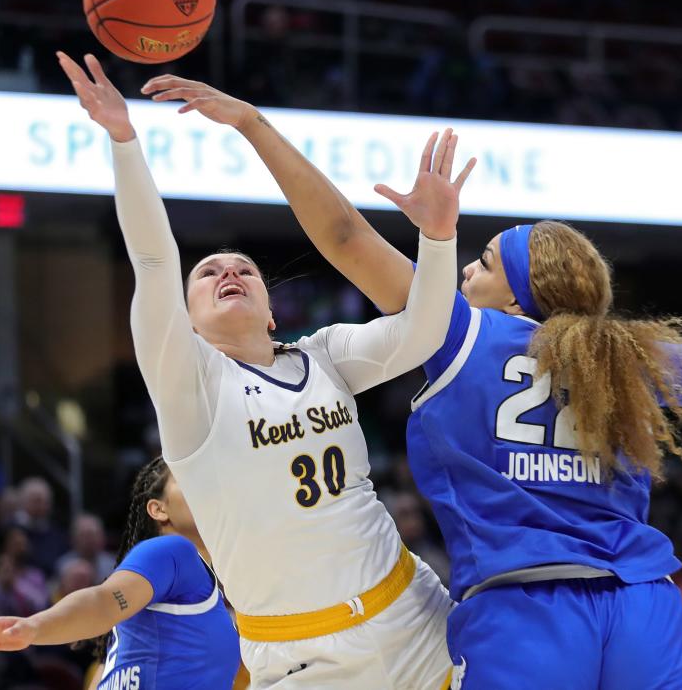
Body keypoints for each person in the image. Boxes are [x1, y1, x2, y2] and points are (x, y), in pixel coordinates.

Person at [139, 75, 682, 689]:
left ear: (521, 294)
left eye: (483, 263)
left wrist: (255, 125)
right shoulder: (628, 355)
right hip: (642, 604)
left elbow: (344, 238)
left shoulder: (461, 333)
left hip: (526, 610)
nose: (463, 273)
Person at [57, 51, 469, 690]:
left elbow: (423, 331)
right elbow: (154, 261)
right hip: (303, 655)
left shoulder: (324, 356)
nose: (228, 272)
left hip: (415, 616)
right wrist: (124, 140)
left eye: (244, 269)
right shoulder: (189, 386)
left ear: (272, 313)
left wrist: (438, 239)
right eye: (209, 273)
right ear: (186, 322)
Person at [0, 457, 243, 690]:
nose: (203, 486)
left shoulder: (198, 590)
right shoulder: (173, 552)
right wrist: (34, 627)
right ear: (158, 509)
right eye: (186, 478)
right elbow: (104, 603)